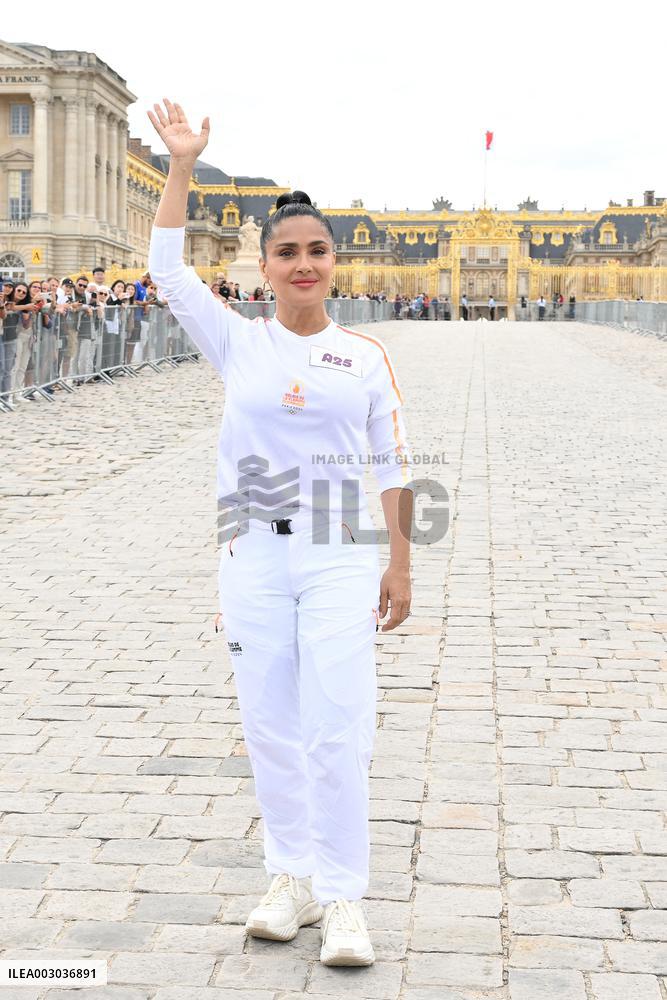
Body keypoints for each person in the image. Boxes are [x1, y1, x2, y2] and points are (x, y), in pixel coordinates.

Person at [146, 98, 414, 969]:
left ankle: (342, 899)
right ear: (262, 267)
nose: (303, 264)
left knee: (337, 723)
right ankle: (288, 877)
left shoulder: (365, 356)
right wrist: (182, 164)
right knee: (268, 722)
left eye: (316, 251)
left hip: (340, 549)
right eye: (287, 252)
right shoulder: (238, 342)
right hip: (250, 548)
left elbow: (393, 463)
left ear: (334, 264)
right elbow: (166, 271)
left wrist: (401, 563)